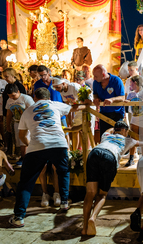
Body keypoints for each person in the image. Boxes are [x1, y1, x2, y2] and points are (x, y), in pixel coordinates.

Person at [9, 88, 85, 227]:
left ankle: (19, 216)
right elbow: (74, 108)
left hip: (37, 145)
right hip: (58, 144)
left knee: (26, 182)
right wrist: (88, 103)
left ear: (35, 97)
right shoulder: (56, 104)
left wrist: (31, 144)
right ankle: (64, 202)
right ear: (48, 97)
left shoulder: (27, 110)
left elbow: (21, 135)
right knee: (63, 172)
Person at [82, 121, 140, 235]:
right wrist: (130, 133)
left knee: (90, 193)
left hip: (94, 153)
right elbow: (141, 141)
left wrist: (114, 128)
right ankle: (93, 218)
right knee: (102, 194)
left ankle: (84, 228)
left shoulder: (106, 135)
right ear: (125, 131)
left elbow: (108, 129)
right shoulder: (129, 140)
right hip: (110, 156)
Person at [124, 75, 143, 167]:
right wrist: (127, 102)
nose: (129, 85)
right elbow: (127, 100)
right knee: (132, 138)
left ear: (135, 83)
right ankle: (131, 158)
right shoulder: (131, 94)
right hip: (135, 117)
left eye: (131, 83)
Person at [93, 64, 125, 137]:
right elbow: (95, 94)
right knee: (104, 137)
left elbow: (122, 97)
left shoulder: (116, 81)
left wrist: (112, 99)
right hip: (103, 113)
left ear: (103, 74)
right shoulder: (96, 82)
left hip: (117, 114)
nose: (94, 78)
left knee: (117, 138)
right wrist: (96, 98)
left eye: (96, 76)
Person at [5, 83, 34, 161]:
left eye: (13, 95)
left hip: (27, 123)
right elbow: (9, 113)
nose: (12, 98)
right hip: (17, 122)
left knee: (25, 140)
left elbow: (33, 111)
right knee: (19, 141)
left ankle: (26, 157)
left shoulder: (26, 98)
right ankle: (23, 157)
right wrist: (8, 125)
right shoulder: (9, 100)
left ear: (18, 91)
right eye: (9, 96)